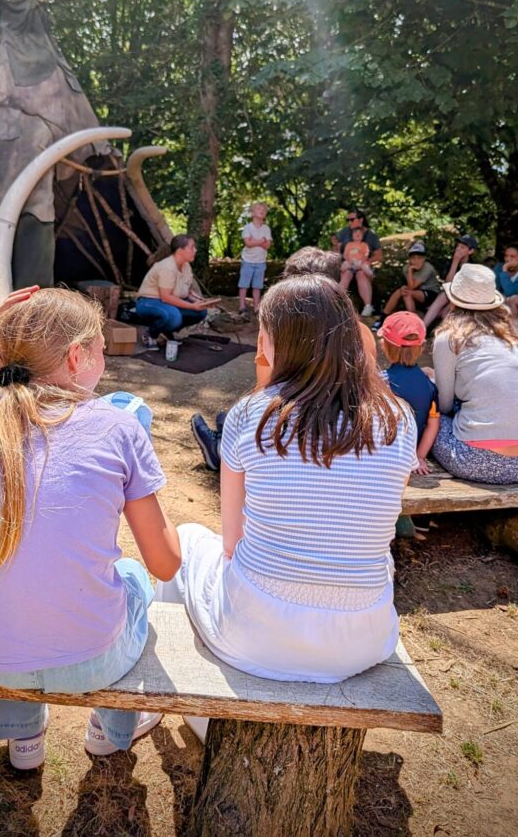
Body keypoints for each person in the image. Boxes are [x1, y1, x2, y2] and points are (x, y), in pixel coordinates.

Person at [0, 286, 181, 769]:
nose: (103, 364)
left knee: (9, 591)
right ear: (75, 356)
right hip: (93, 660)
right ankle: (109, 730)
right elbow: (166, 563)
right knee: (133, 577)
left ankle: (23, 735)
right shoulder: (119, 427)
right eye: (101, 352)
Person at [159, 274, 417, 717]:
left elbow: (230, 541)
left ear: (277, 340)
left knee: (183, 539)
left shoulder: (251, 415)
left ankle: (158, 704)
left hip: (257, 634)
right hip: (365, 636)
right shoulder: (399, 419)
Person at [190, 248, 378, 470]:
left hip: (290, 429)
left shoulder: (276, 334)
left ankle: (220, 449)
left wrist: (240, 419)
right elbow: (368, 387)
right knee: (232, 417)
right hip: (345, 425)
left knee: (238, 418)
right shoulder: (362, 332)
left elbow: (264, 390)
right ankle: (224, 434)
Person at [431, 264, 518, 484]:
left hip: (478, 459)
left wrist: (430, 381)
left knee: (432, 420)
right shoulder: (511, 338)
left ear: (454, 300)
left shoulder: (449, 337)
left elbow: (443, 404)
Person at [379, 312, 440, 475]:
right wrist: (419, 457)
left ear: (384, 345)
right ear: (422, 347)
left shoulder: (379, 382)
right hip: (411, 452)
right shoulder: (430, 385)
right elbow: (433, 425)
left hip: (385, 453)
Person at [135, 234, 219, 350]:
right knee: (174, 316)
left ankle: (165, 331)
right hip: (148, 302)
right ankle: (151, 333)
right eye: (192, 247)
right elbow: (166, 297)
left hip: (167, 302)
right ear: (180, 251)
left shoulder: (185, 266)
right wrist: (191, 306)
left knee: (201, 312)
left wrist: (202, 302)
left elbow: (187, 291)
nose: (195, 250)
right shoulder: (167, 267)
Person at [374, 242, 441, 327]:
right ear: (409, 259)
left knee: (407, 292)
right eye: (413, 258)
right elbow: (410, 285)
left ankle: (414, 323)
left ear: (424, 258)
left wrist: (410, 270)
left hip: (430, 293)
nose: (416, 261)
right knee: (402, 292)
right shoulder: (406, 268)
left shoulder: (428, 268)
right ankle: (383, 317)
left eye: (419, 258)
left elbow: (412, 286)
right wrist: (409, 272)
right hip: (416, 292)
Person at [422, 234, 478, 332]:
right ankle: (422, 328)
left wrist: (448, 307)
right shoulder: (450, 263)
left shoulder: (473, 267)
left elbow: (466, 291)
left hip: (466, 299)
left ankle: (443, 336)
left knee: (445, 313)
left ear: (470, 251)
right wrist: (455, 262)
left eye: (462, 247)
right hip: (450, 295)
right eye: (457, 246)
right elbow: (447, 284)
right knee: (443, 296)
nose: (458, 249)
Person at [333, 209, 382, 316]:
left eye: (352, 219)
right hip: (347, 265)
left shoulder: (371, 236)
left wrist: (365, 261)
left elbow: (379, 256)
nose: (349, 222)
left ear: (361, 219)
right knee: (345, 274)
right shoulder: (345, 232)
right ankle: (336, 303)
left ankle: (368, 306)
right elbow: (336, 247)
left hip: (362, 266)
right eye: (348, 220)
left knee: (361, 274)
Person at [238, 202, 272, 318]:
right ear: (252, 213)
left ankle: (256, 307)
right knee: (244, 285)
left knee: (257, 286)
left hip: (261, 262)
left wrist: (255, 242)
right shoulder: (247, 228)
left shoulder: (266, 229)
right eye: (259, 209)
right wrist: (261, 241)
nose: (262, 211)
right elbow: (248, 243)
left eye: (264, 210)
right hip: (247, 261)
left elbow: (267, 246)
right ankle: (242, 306)